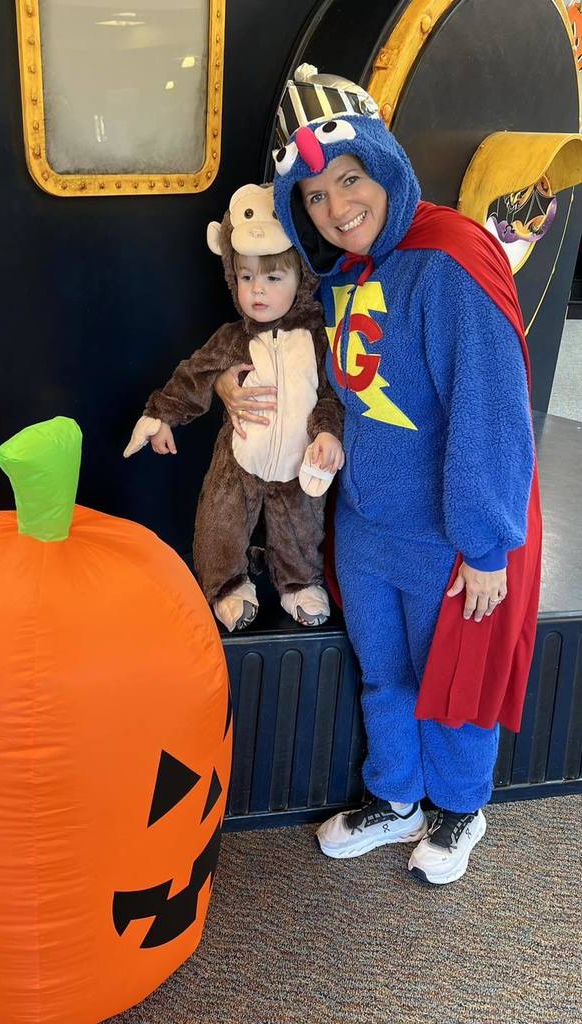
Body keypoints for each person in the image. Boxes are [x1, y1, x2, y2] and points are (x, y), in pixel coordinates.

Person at [215, 69, 540, 885]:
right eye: (316, 194)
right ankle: (395, 797)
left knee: (452, 682)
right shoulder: (344, 279)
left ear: (385, 165)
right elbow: (302, 365)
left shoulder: (452, 258)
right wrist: (225, 381)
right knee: (384, 674)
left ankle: (458, 809)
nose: (336, 205)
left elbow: (488, 406)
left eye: (349, 179)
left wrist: (484, 541)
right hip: (363, 528)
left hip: (442, 535)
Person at [124, 182, 343, 632]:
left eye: (272, 278)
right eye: (246, 278)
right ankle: (226, 586)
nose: (257, 291)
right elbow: (195, 374)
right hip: (238, 462)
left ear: (301, 276)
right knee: (220, 526)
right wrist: (161, 415)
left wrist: (326, 432)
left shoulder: (318, 338)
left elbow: (330, 394)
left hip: (297, 464)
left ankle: (298, 584)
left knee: (301, 531)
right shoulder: (233, 339)